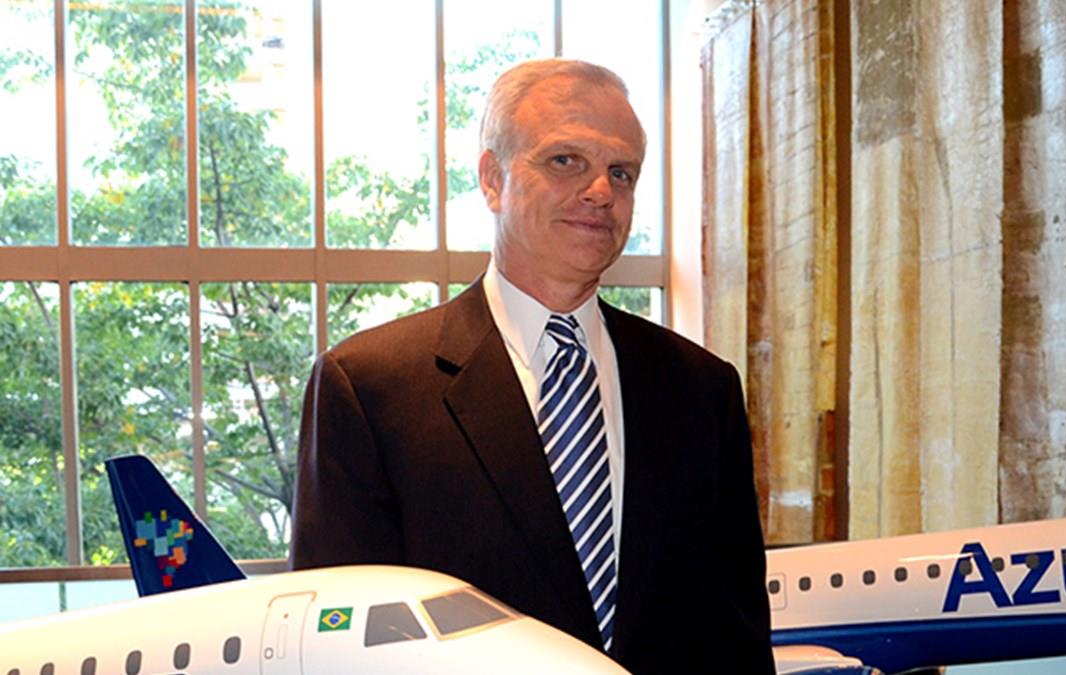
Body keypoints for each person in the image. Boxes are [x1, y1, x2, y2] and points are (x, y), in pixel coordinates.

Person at [290, 58, 773, 673]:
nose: (600, 192)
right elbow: (335, 649)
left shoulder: (702, 390)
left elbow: (734, 641)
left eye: (621, 172)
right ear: (492, 179)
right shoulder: (368, 388)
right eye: (566, 160)